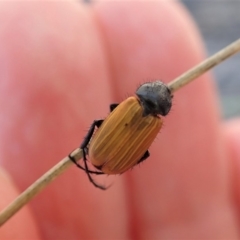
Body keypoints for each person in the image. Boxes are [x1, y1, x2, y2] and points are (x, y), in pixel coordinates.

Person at [0, 1, 240, 239]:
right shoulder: (154, 122)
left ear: (143, 91)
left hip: (103, 153)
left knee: (99, 122)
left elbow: (109, 121)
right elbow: (139, 150)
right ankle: (94, 160)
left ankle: (84, 156)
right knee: (133, 146)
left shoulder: (130, 106)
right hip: (113, 159)